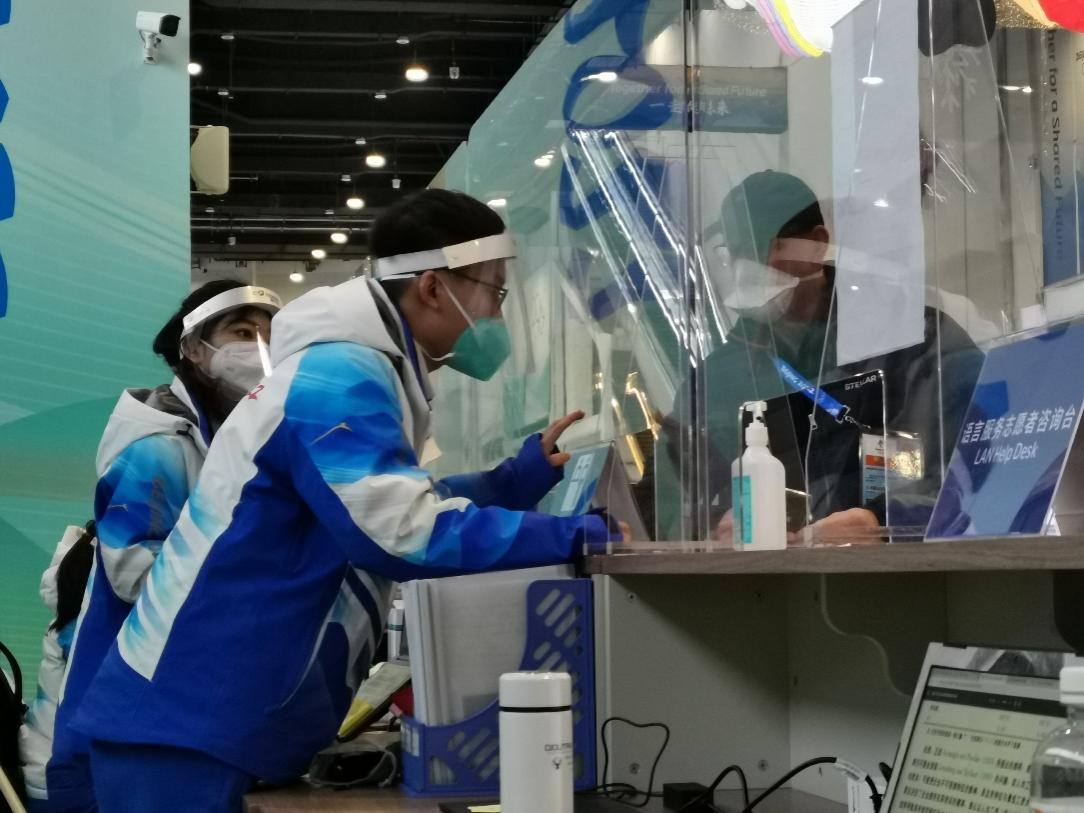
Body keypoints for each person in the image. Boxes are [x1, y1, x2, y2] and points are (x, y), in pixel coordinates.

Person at [71, 189, 616, 812]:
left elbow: (365, 506)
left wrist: (509, 483)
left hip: (200, 720)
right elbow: (400, 533)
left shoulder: (354, 367)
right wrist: (577, 534)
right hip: (187, 728)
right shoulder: (339, 375)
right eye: (494, 291)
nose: (497, 311)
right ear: (433, 288)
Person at [26, 280, 282, 812]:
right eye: (241, 332)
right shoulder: (160, 445)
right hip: (103, 738)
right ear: (193, 349)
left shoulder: (228, 437)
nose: (259, 346)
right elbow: (136, 574)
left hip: (152, 720)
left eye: (269, 333)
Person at [663, 170, 984, 541]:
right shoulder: (718, 378)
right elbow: (671, 495)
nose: (746, 269)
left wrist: (880, 522)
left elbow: (979, 460)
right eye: (736, 253)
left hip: (897, 567)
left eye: (764, 248)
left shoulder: (911, 341)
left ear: (816, 244)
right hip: (765, 572)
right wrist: (713, 528)